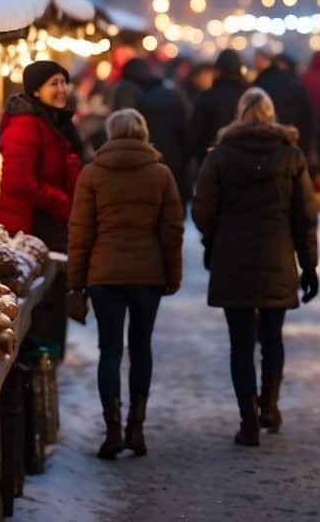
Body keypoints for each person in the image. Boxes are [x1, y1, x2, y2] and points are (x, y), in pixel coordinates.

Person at [193, 88, 319, 447]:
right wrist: (308, 265)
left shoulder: (220, 157)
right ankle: (270, 406)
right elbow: (305, 216)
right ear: (271, 114)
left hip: (233, 258)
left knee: (241, 343)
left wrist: (215, 237)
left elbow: (202, 209)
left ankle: (248, 419)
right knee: (273, 338)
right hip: (277, 257)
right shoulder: (290, 155)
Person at [67, 109, 184, 460]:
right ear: (144, 133)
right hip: (148, 276)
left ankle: (113, 430)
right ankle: (137, 428)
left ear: (110, 134)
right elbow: (172, 231)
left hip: (104, 275)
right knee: (141, 348)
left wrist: (76, 282)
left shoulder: (92, 174)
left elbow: (80, 232)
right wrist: (172, 274)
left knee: (110, 351)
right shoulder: (161, 174)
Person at [0, 60, 83, 358]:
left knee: (54, 296)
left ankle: (48, 363)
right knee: (43, 302)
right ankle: (38, 362)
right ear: (36, 90)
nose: (61, 89)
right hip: (32, 225)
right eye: (53, 84)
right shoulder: (26, 124)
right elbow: (18, 180)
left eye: (63, 82)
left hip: (51, 222)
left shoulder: (53, 121)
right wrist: (59, 200)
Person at [113, 58, 193, 207]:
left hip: (144, 170)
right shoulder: (173, 95)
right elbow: (186, 135)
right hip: (174, 167)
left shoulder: (134, 98)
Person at [190, 48, 248, 165]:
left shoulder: (206, 97)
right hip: (246, 161)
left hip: (213, 162)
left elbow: (195, 135)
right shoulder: (249, 95)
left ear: (218, 69)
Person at [255, 53, 317, 162]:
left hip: (263, 151)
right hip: (294, 148)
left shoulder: (260, 85)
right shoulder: (297, 86)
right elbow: (308, 122)